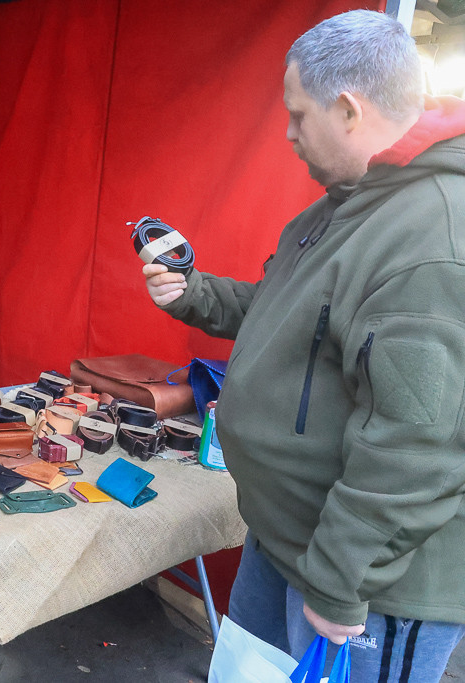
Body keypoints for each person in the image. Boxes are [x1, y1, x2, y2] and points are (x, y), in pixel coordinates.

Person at [143, 10, 465, 681]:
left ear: (347, 108)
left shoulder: (431, 236)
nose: (288, 134)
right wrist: (194, 293)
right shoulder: (344, 206)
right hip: (288, 538)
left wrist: (342, 576)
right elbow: (281, 311)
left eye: (297, 115)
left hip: (369, 583)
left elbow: (417, 444)